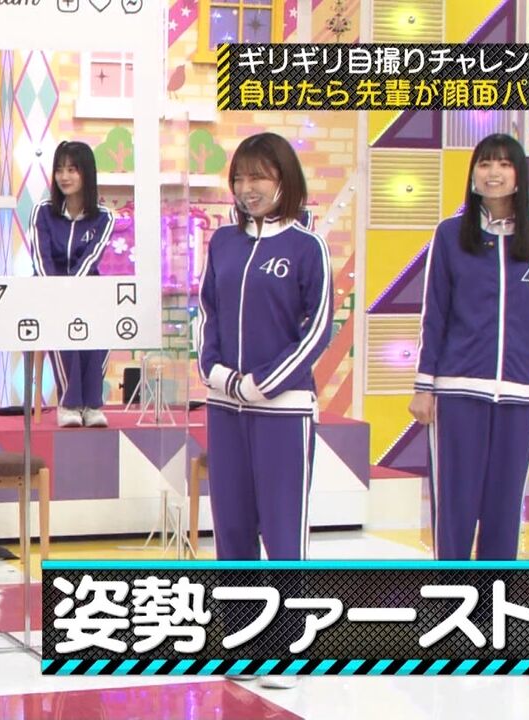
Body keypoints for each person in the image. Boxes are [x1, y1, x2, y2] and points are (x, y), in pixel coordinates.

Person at [196, 132, 332, 690]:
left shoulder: (306, 247)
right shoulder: (223, 244)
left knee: (282, 529)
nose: (247, 187)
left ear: (284, 180)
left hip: (284, 411)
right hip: (226, 407)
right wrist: (216, 372)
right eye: (240, 177)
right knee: (231, 528)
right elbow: (206, 313)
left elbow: (318, 329)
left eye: (259, 176)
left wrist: (265, 383)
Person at [409, 133, 529, 561]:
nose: (493, 172)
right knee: (455, 508)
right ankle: (452, 594)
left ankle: (494, 596)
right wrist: (424, 386)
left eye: (504, 164)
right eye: (484, 163)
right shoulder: (449, 235)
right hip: (457, 392)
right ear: (473, 174)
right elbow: (435, 314)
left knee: (504, 511)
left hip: (519, 395)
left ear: (519, 175)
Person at [30, 140, 115, 428]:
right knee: (60, 321)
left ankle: (92, 404)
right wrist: (57, 292)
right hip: (49, 290)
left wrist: (73, 291)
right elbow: (40, 258)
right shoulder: (43, 211)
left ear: (86, 173)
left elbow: (91, 258)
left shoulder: (104, 217)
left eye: (72, 170)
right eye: (59, 170)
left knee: (102, 327)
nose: (64, 177)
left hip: (88, 288)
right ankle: (68, 403)